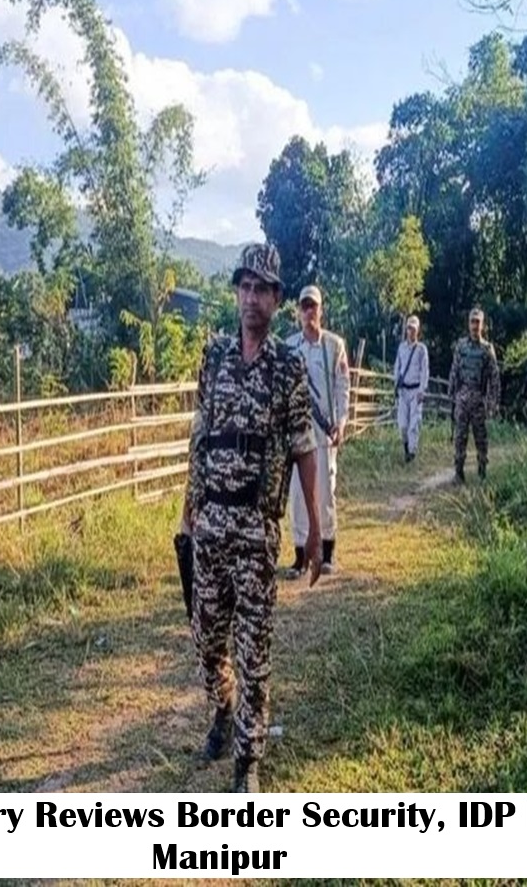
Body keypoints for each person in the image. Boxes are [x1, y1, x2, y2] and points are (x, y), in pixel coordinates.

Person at [180, 242, 322, 793]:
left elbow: (304, 447)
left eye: (262, 289)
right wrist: (187, 511)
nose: (251, 298)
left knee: (253, 649)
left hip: (256, 528)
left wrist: (314, 531)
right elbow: (199, 435)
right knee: (206, 639)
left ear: (277, 298)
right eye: (245, 286)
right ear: (236, 291)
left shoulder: (287, 367)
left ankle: (248, 760)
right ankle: (223, 708)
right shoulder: (214, 356)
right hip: (211, 523)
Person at [282, 284, 349, 578]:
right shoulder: (289, 347)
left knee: (325, 493)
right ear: (298, 310)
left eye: (313, 306)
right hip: (298, 434)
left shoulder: (334, 345)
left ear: (321, 310)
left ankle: (327, 550)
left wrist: (341, 422)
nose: (309, 311)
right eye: (304, 306)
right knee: (298, 495)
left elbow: (342, 387)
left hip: (323, 434)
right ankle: (300, 555)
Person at [448, 307, 501, 483]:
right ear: (468, 324)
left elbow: (494, 378)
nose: (474, 325)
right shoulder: (461, 346)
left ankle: (482, 471)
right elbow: (454, 370)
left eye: (478, 322)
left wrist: (493, 402)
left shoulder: (487, 349)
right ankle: (458, 473)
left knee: (481, 439)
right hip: (462, 398)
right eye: (472, 321)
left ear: (482, 325)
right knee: (460, 437)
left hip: (479, 399)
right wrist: (452, 394)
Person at [393, 315, 429, 463]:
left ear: (417, 330)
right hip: (403, 390)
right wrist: (396, 384)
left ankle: (412, 453)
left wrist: (422, 390)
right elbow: (398, 367)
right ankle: (406, 446)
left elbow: (424, 370)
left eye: (413, 329)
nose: (411, 331)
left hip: (415, 390)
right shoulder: (401, 348)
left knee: (414, 423)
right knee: (403, 424)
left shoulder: (421, 349)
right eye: (409, 328)